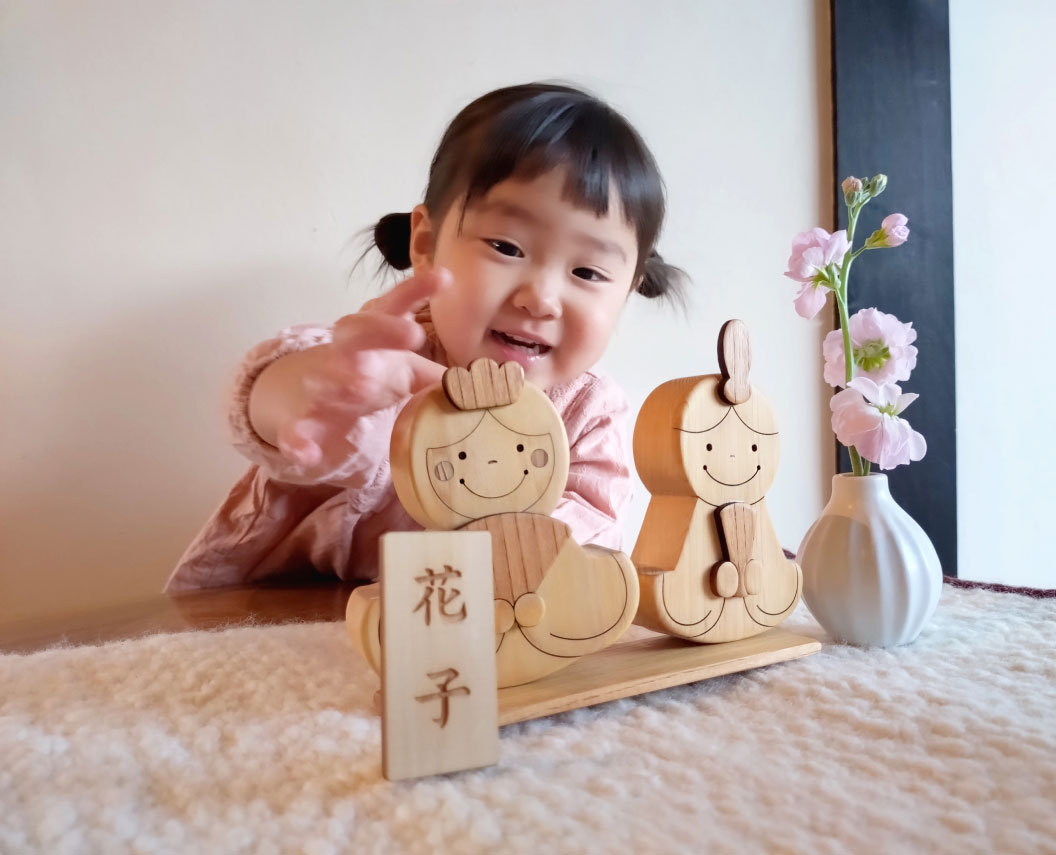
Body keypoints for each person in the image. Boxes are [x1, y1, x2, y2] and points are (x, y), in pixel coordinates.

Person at [165, 82, 684, 592]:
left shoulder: (589, 412)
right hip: (270, 615)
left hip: (473, 621)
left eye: (588, 273)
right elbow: (271, 402)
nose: (540, 299)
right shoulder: (383, 360)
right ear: (427, 243)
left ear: (628, 290)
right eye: (507, 247)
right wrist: (309, 392)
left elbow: (590, 541)